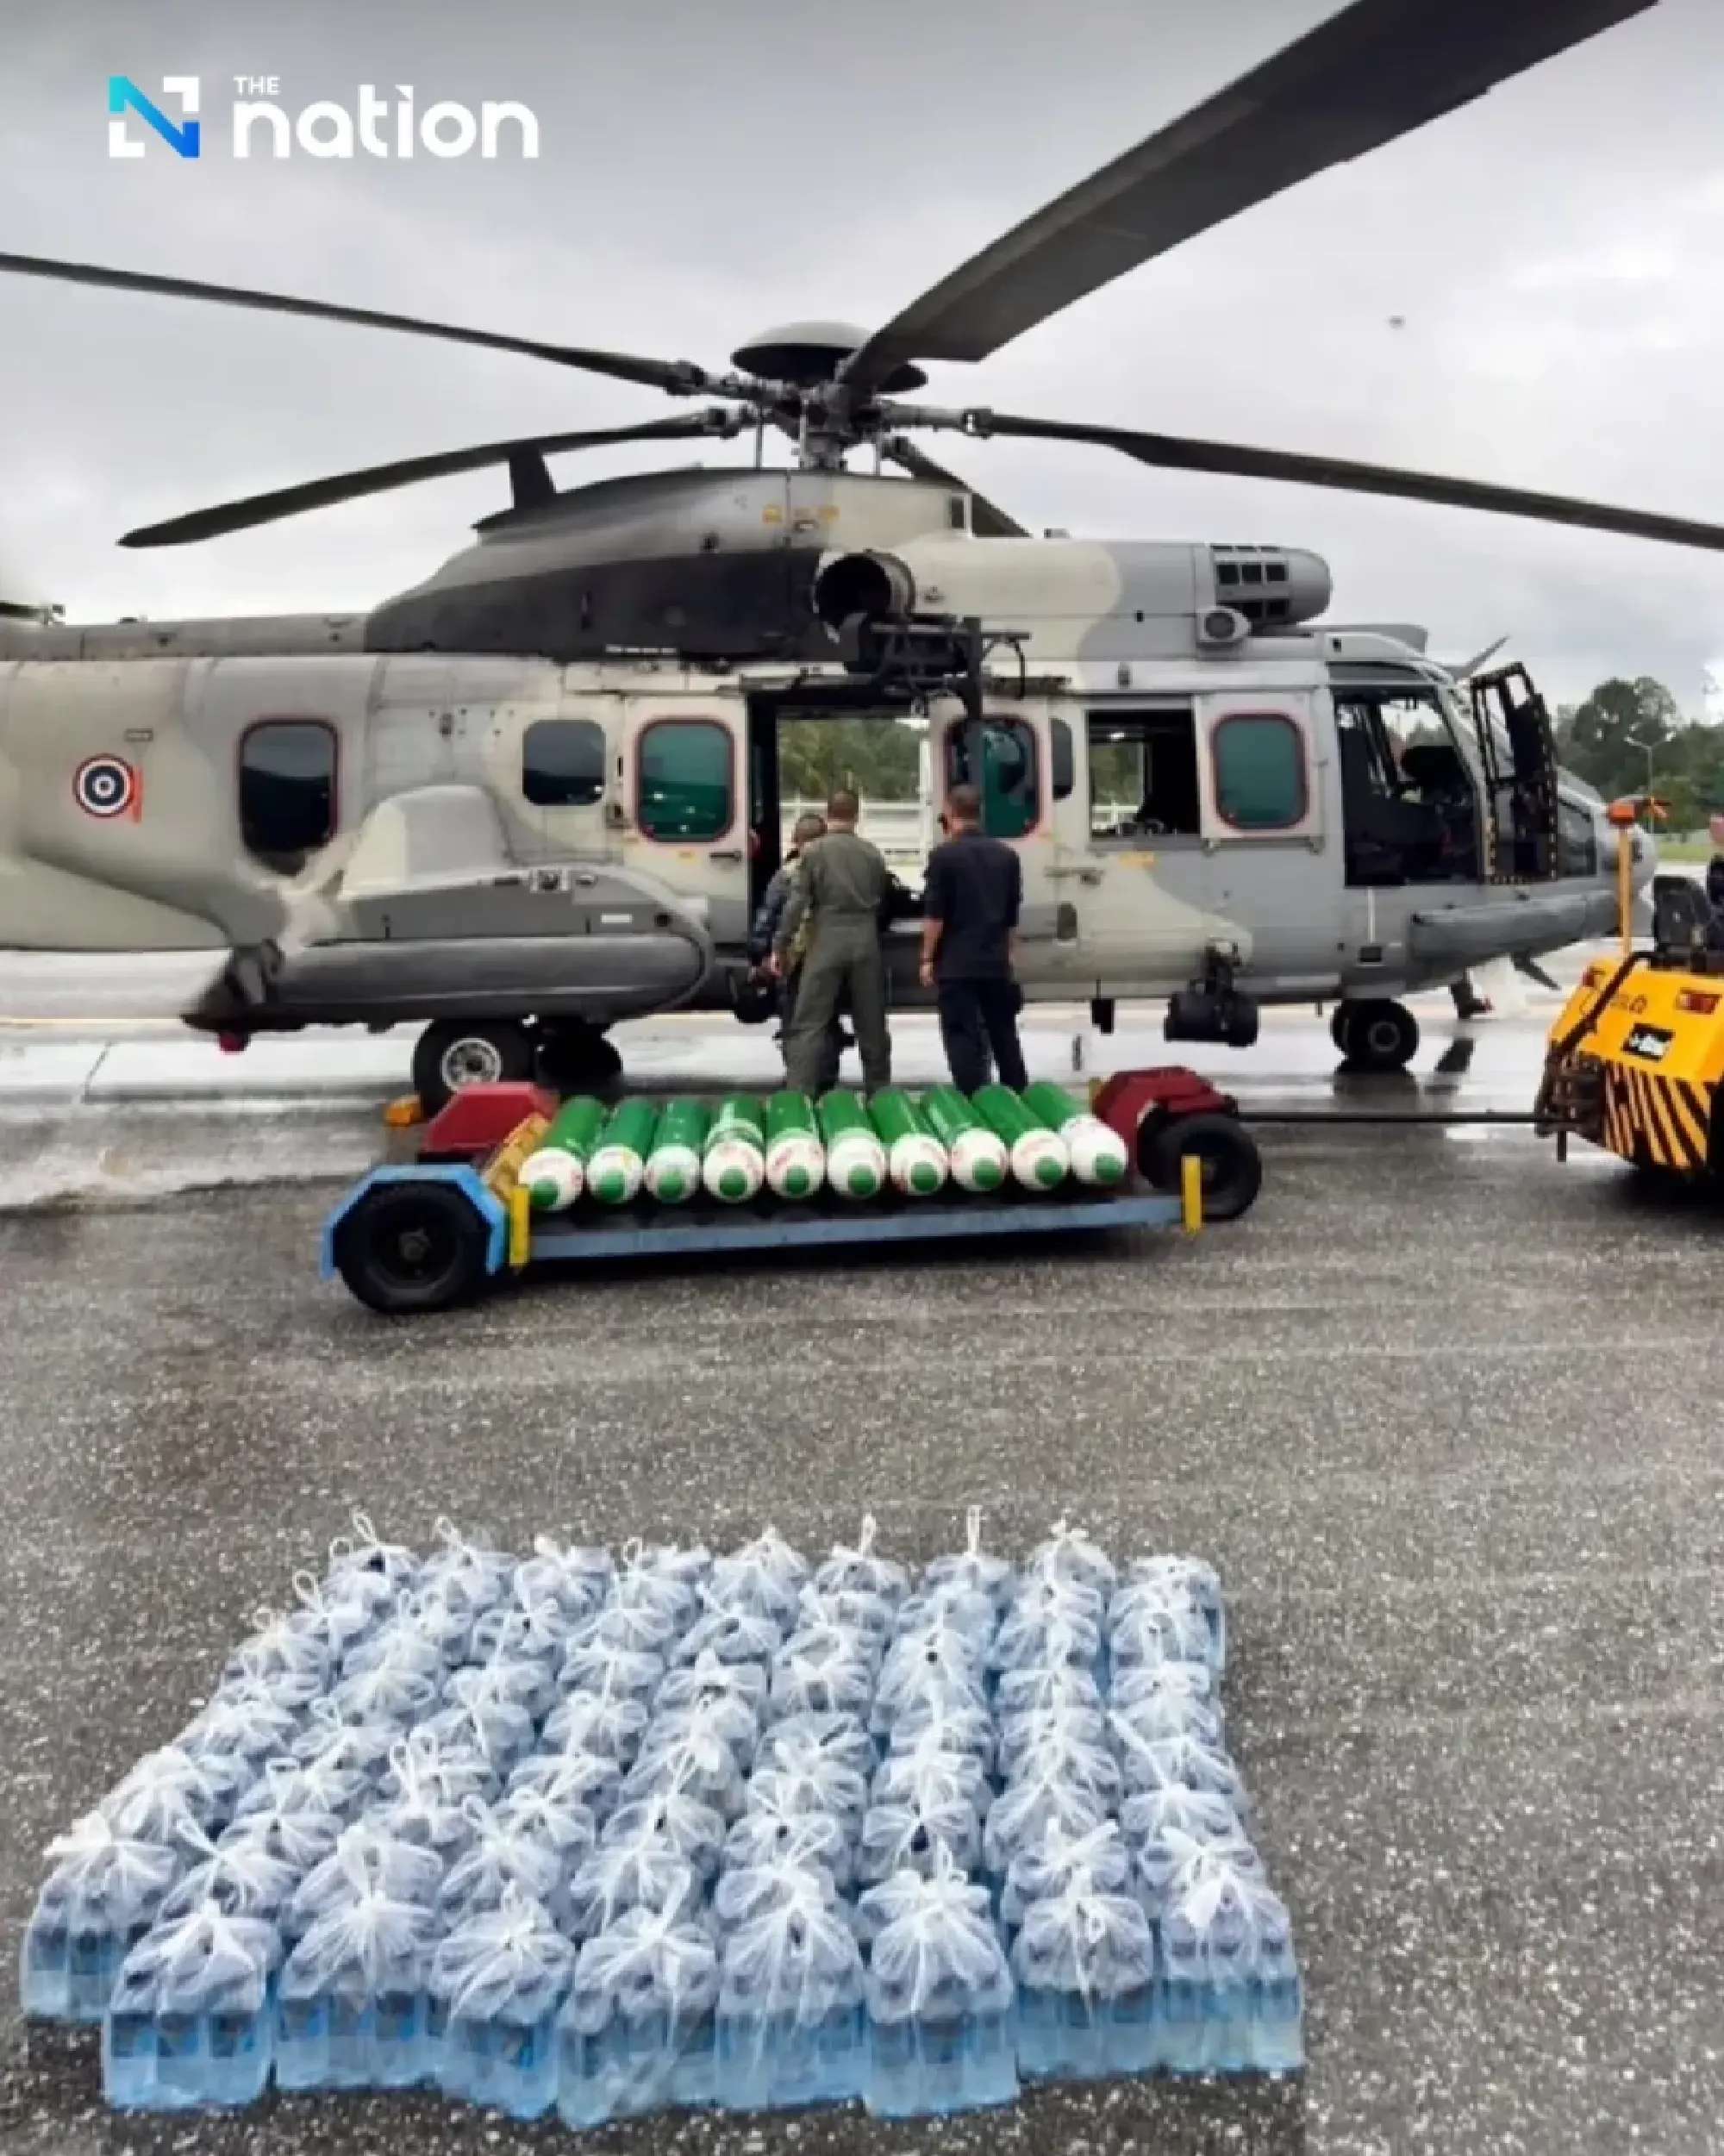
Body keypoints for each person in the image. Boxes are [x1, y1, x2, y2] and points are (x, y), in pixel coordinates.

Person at [772, 788, 893, 1095]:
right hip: (865, 941)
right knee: (872, 1024)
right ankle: (879, 1094)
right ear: (856, 816)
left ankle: (801, 1095)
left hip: (825, 940)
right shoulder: (871, 853)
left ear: (828, 815)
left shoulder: (813, 853)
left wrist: (781, 945)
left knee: (810, 1023)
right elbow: (884, 897)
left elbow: (796, 905)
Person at [919, 782, 1028, 1092]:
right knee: (1003, 1032)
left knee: (962, 1034)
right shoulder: (1007, 856)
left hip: (957, 964)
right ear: (978, 814)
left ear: (950, 814)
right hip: (994, 961)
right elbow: (1011, 916)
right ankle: (1017, 1093)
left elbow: (935, 915)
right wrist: (1007, 956)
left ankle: (973, 1096)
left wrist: (927, 958)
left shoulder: (943, 857)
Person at [748, 812, 846, 1091]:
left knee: (795, 1018)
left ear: (795, 840)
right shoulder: (835, 873)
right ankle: (826, 1076)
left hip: (793, 959)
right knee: (826, 1016)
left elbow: (768, 918)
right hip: (829, 953)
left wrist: (760, 953)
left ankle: (800, 1078)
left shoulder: (785, 876)